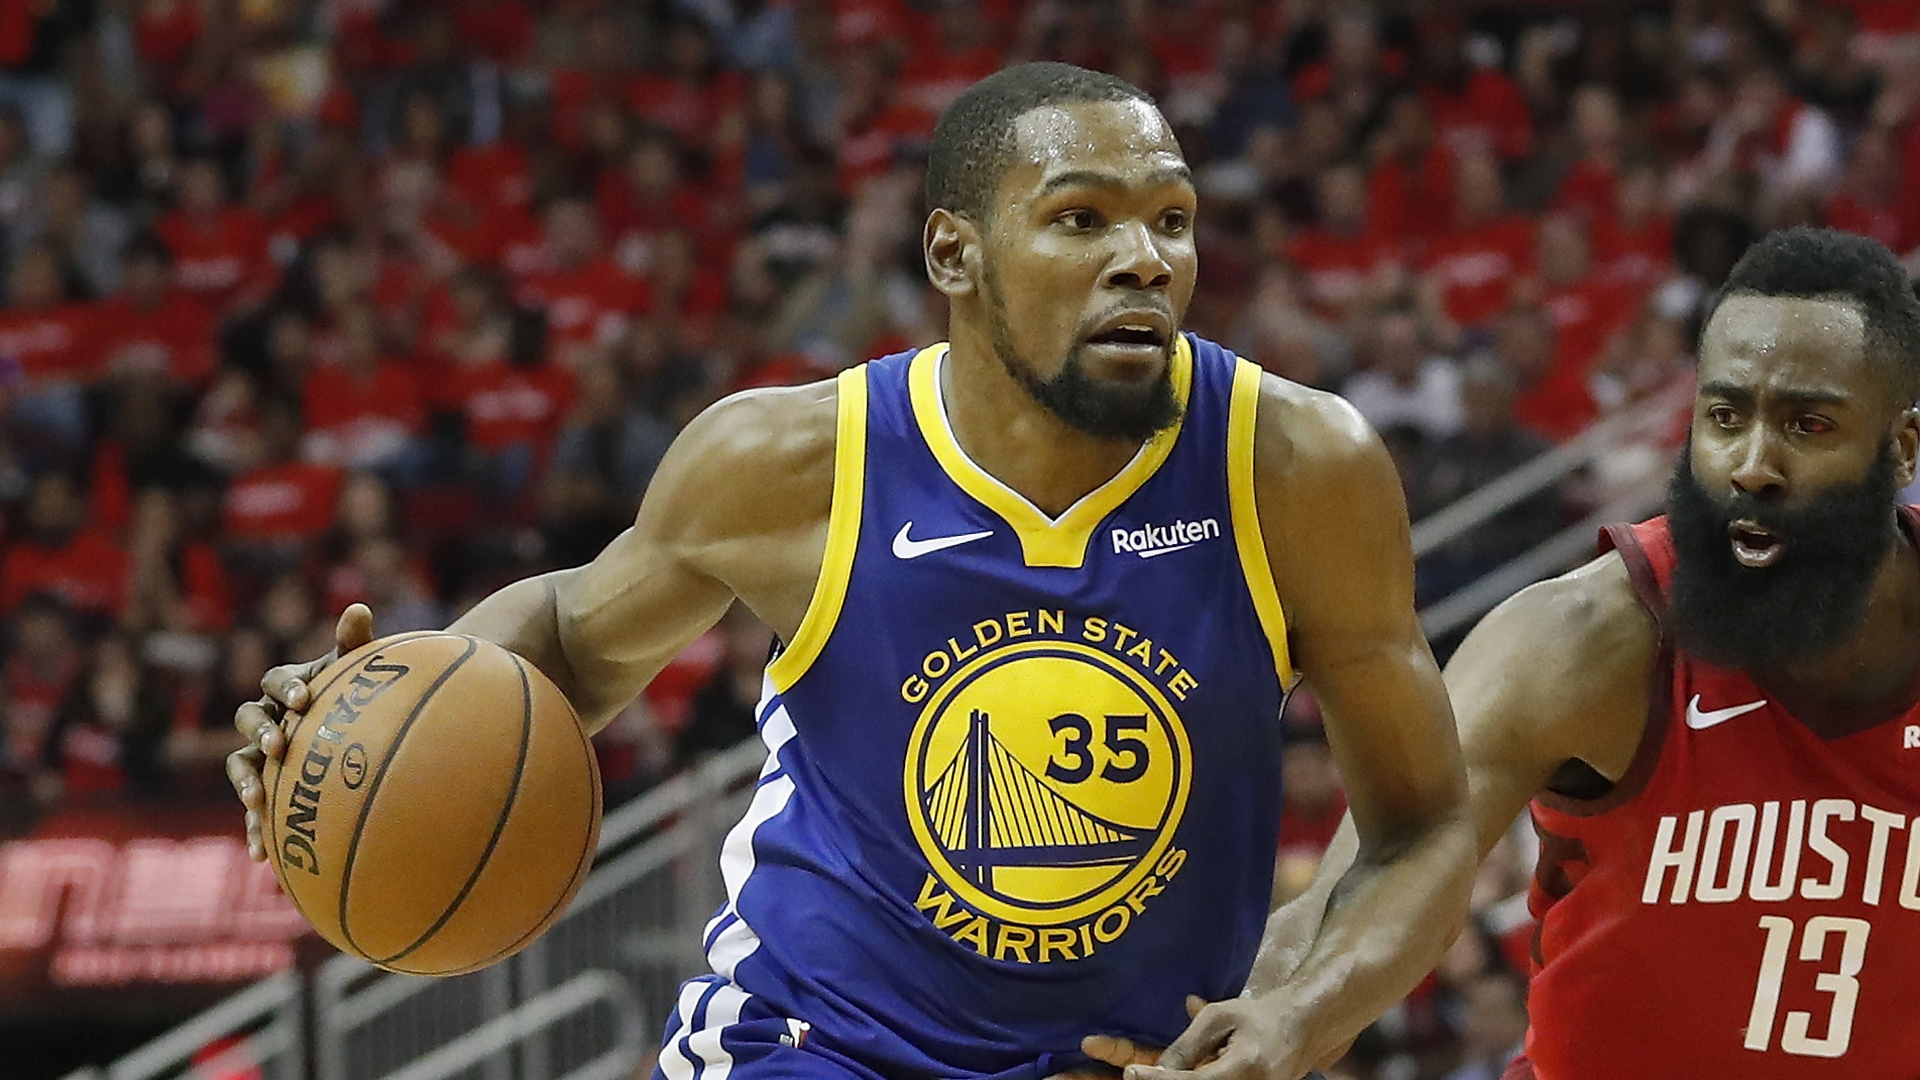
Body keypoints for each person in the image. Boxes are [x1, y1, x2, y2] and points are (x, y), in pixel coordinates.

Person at [227, 64, 1475, 1080]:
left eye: (1172, 219)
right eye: (1082, 217)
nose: (1145, 256)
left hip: (1136, 1064)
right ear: (954, 256)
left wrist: (1304, 1014)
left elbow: (1424, 824)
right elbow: (560, 637)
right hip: (814, 1046)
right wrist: (367, 707)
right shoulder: (792, 462)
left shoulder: (1298, 466)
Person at [1281, 226, 1920, 1079]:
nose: (1754, 465)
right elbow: (1387, 858)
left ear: (1902, 446)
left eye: (1809, 424)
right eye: (1725, 417)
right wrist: (1282, 1014)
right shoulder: (1591, 635)